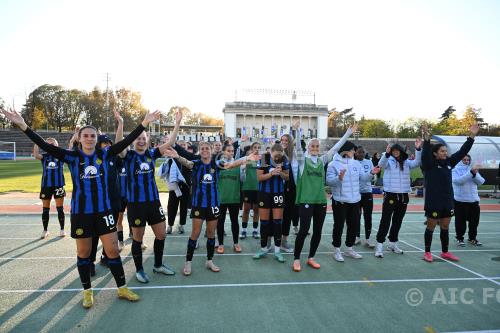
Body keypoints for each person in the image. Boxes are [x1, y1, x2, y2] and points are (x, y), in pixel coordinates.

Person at [1, 108, 160, 308]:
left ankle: (122, 288)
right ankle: (87, 292)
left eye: (92, 135)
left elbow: (127, 142)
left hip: (104, 212)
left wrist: (144, 122)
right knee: (84, 254)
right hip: (81, 213)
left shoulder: (106, 152)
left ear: (96, 138)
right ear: (80, 138)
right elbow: (43, 145)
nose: (89, 138)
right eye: (85, 135)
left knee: (113, 251)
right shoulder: (72, 156)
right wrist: (23, 125)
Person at [166, 110, 260, 275]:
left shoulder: (217, 164)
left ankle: (209, 261)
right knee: (195, 233)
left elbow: (232, 164)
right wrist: (176, 156)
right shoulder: (196, 164)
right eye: (202, 148)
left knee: (211, 234)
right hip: (198, 205)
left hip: (213, 205)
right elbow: (186, 162)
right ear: (200, 150)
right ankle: (188, 262)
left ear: (211, 151)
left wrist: (247, 158)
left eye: (207, 149)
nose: (204, 151)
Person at [292, 124, 357, 271]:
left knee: (318, 231)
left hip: (320, 201)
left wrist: (348, 133)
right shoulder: (303, 162)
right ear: (308, 148)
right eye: (312, 146)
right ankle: (296, 259)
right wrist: (296, 132)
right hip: (306, 201)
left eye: (317, 146)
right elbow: (298, 149)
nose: (315, 148)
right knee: (303, 231)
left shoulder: (322, 160)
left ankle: (311, 257)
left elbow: (335, 148)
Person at [124, 117, 178, 283]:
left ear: (147, 140)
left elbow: (170, 142)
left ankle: (158, 264)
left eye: (143, 138)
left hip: (153, 202)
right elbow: (120, 143)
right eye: (138, 138)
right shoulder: (128, 155)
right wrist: (121, 124)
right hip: (136, 204)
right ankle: (139, 270)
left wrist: (177, 123)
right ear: (134, 141)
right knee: (138, 238)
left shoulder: (151, 154)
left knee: (161, 234)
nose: (141, 141)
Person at [421, 124, 479, 262]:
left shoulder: (449, 162)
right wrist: (427, 139)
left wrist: (471, 136)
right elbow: (425, 153)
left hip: (447, 201)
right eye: (442, 151)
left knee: (445, 226)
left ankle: (445, 252)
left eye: (445, 151)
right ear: (435, 153)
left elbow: (462, 151)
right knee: (431, 226)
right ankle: (427, 252)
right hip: (433, 201)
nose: (445, 153)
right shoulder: (429, 164)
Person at [327, 138, 381, 262]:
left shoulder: (356, 163)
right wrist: (338, 178)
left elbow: (363, 178)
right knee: (339, 226)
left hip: (355, 200)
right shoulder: (333, 164)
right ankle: (337, 250)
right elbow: (329, 182)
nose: (354, 152)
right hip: (340, 201)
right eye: (352, 150)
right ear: (345, 151)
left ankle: (349, 248)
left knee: (353, 225)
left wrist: (372, 173)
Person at [374, 139, 422, 258]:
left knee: (398, 221)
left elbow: (417, 162)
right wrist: (386, 153)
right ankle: (379, 245)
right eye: (393, 151)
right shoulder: (388, 161)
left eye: (397, 151)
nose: (396, 152)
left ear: (401, 151)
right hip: (390, 194)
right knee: (385, 220)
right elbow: (381, 165)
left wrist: (418, 149)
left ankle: (393, 243)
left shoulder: (406, 162)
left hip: (403, 195)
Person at [253, 143, 290, 263]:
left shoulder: (284, 159)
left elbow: (287, 177)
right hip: (264, 193)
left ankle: (277, 251)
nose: (277, 158)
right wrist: (271, 173)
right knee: (264, 222)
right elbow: (259, 177)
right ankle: (264, 248)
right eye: (275, 156)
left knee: (278, 222)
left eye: (279, 156)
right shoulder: (264, 158)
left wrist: (281, 174)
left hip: (278, 194)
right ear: (271, 152)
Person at [33, 138, 66, 239]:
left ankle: (62, 229)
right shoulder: (44, 157)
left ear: (57, 145)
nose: (51, 145)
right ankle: (45, 230)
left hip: (58, 185)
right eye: (49, 144)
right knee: (45, 209)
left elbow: (70, 151)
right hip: (46, 185)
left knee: (60, 209)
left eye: (53, 143)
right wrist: (37, 142)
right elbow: (36, 154)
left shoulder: (61, 155)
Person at [216, 143, 244, 253]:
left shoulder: (237, 164)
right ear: (223, 152)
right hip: (221, 198)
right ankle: (221, 244)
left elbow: (242, 179)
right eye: (228, 150)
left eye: (232, 151)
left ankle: (236, 243)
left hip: (234, 198)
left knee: (234, 221)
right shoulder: (219, 165)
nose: (231, 153)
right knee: (220, 222)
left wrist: (243, 170)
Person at [452, 155, 485, 246]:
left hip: (474, 200)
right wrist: (470, 173)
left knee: (474, 222)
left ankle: (472, 238)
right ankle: (459, 238)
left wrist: (474, 174)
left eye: (468, 160)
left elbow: (481, 181)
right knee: (460, 222)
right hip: (461, 201)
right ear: (460, 160)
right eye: (464, 160)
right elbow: (458, 181)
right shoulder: (455, 170)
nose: (466, 161)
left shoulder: (472, 169)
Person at [280, 131, 299, 249]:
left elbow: (292, 164)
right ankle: (269, 241)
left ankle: (284, 240)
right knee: (276, 215)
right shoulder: (277, 154)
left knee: (287, 215)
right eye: (282, 140)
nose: (284, 143)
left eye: (286, 141)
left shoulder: (295, 154)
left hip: (291, 188)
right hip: (278, 188)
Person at [354, 146, 376, 248]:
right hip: (356, 193)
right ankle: (357, 237)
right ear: (355, 153)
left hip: (367, 192)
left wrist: (371, 176)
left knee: (368, 217)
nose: (361, 154)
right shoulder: (353, 163)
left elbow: (372, 175)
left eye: (363, 152)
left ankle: (368, 239)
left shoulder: (369, 162)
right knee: (356, 217)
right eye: (359, 152)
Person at [240, 142, 261, 239]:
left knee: (257, 210)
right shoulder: (247, 158)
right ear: (251, 149)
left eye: (258, 147)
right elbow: (241, 167)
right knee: (246, 210)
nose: (257, 149)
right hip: (247, 187)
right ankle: (244, 230)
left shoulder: (262, 159)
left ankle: (255, 230)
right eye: (255, 147)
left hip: (258, 188)